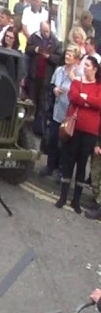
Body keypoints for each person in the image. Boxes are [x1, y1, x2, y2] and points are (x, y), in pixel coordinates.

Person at [59, 54, 101, 213]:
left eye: (88, 66)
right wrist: (87, 100)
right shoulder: (77, 82)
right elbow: (74, 97)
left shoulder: (99, 86)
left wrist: (85, 98)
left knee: (82, 164)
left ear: (95, 69)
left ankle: (76, 200)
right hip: (74, 129)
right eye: (85, 65)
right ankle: (63, 197)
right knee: (68, 161)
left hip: (90, 132)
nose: (85, 68)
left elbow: (99, 103)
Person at [44, 46, 82, 180]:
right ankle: (50, 166)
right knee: (52, 140)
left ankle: (62, 171)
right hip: (57, 111)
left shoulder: (79, 74)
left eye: (70, 55)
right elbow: (52, 85)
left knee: (64, 144)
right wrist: (54, 90)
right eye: (66, 54)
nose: (67, 57)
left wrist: (73, 79)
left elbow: (81, 91)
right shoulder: (59, 70)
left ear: (76, 59)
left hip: (69, 115)